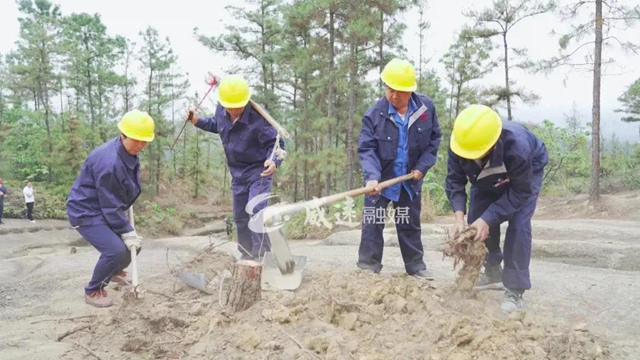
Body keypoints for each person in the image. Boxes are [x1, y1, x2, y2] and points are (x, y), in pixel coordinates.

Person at [445, 104, 548, 314]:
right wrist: (459, 218)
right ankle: (492, 271)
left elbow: (520, 193)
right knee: (477, 219)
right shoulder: (459, 144)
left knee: (519, 224)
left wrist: (489, 218)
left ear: (491, 144)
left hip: (526, 173)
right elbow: (455, 181)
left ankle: (515, 288)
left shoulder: (517, 146)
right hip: (484, 176)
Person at [357, 58, 442, 279]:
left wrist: (423, 166)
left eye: (400, 91)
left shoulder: (425, 109)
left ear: (410, 90)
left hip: (409, 179)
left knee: (409, 222)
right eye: (390, 89)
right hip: (382, 179)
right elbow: (367, 149)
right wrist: (372, 177)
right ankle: (368, 267)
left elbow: (434, 139)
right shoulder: (373, 114)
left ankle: (415, 266)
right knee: (373, 222)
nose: (394, 95)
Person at [188, 74, 285, 260]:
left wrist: (273, 160)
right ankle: (247, 255)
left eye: (237, 106)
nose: (233, 110)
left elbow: (276, 142)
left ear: (246, 100)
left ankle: (262, 255)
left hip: (259, 170)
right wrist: (197, 121)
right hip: (237, 172)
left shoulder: (259, 117)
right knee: (240, 216)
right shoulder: (222, 109)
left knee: (256, 210)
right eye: (229, 106)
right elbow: (218, 124)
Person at [66, 109, 154, 308]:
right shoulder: (108, 162)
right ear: (123, 135)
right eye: (136, 140)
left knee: (133, 247)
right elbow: (109, 203)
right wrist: (126, 230)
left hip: (105, 207)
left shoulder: (127, 150)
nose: (141, 145)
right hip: (86, 211)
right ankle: (93, 289)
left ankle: (113, 272)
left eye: (144, 141)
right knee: (115, 250)